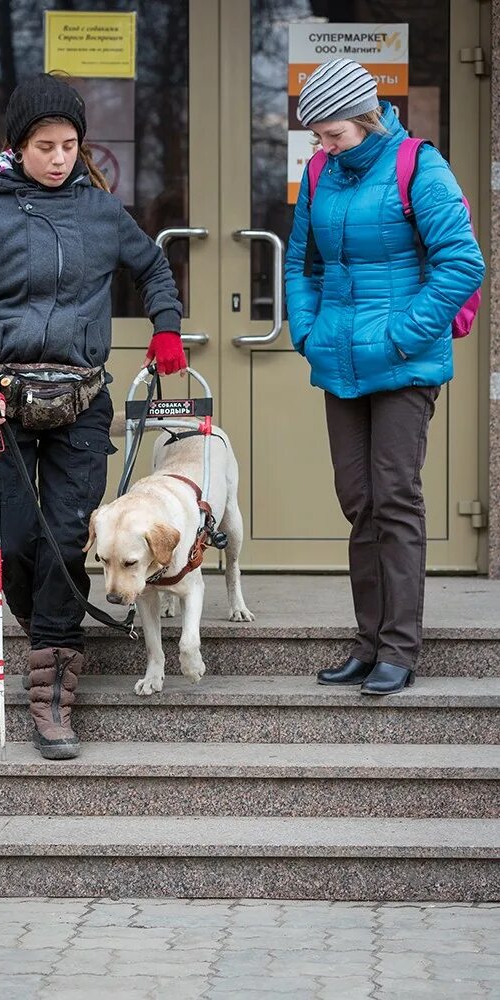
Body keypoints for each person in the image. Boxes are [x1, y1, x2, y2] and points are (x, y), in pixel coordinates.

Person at [0, 73, 186, 758]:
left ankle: (53, 693)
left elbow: (156, 270)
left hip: (82, 401)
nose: (58, 157)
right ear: (15, 147)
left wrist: (165, 326)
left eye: (69, 145)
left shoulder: (102, 213)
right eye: (44, 145)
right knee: (10, 543)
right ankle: (48, 630)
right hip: (2, 401)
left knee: (62, 539)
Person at [285, 59, 485, 696]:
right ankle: (367, 645)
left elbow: (462, 263)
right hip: (339, 361)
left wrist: (401, 335)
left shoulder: (419, 166)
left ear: (365, 119)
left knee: (395, 498)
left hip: (403, 365)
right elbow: (301, 261)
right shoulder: (320, 173)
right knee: (359, 501)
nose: (322, 146)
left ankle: (399, 648)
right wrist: (307, 329)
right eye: (316, 136)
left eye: (332, 134)